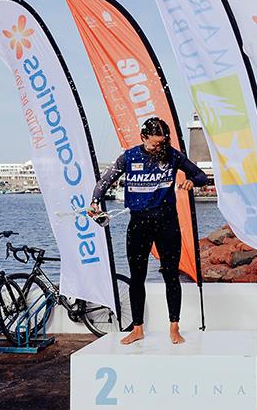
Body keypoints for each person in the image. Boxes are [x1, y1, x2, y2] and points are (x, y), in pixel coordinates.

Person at [89, 117, 207, 345]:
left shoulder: (172, 155)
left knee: (171, 275)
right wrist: (95, 202)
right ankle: (137, 328)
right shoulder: (129, 157)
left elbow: (200, 175)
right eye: (154, 144)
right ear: (143, 138)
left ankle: (174, 327)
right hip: (139, 224)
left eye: (161, 143)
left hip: (167, 224)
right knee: (137, 278)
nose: (158, 148)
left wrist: (192, 181)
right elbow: (104, 181)